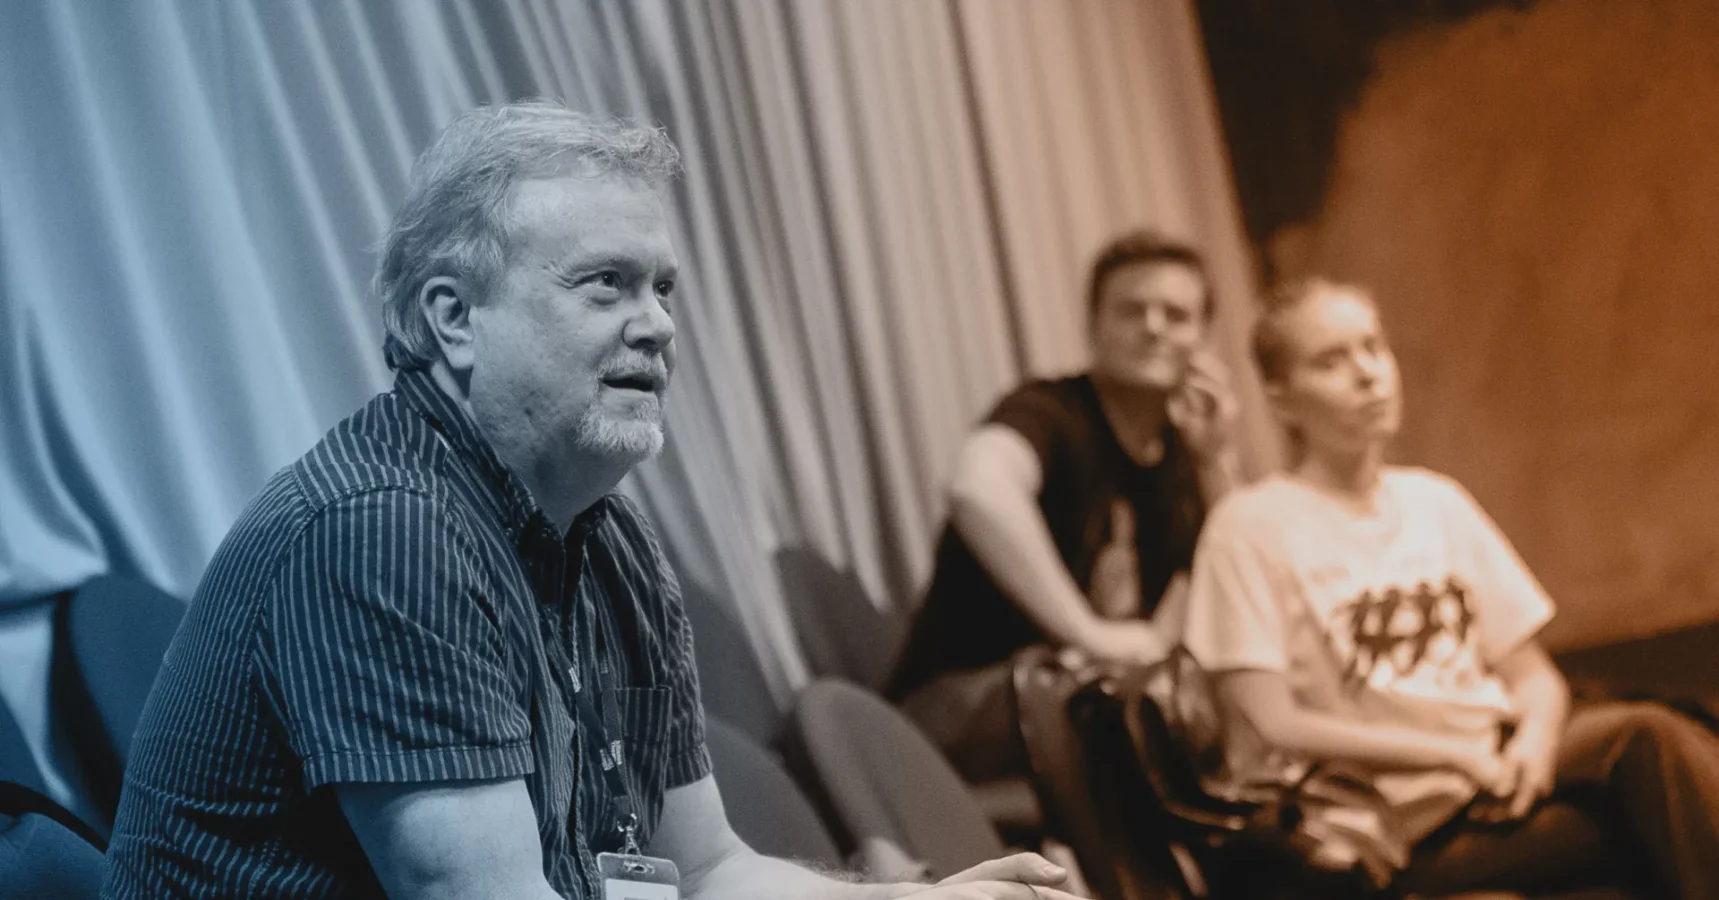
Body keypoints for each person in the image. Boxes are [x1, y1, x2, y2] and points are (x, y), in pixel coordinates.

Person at [100, 100, 1082, 900]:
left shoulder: (609, 539)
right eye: (606, 285)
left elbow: (704, 870)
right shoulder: (380, 532)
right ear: (453, 319)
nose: (656, 325)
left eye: (664, 288)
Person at [1180, 276, 1719, 897]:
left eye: (1373, 348)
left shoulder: (1435, 500)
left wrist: (1536, 743)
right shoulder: (1250, 525)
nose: (1368, 375)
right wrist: (1447, 754)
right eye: (1332, 361)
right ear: (1279, 398)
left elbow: (1530, 674)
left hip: (1499, 772)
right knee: (1656, 816)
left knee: (1652, 737)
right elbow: (1275, 722)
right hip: (1398, 825)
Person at [886, 232, 1241, 783]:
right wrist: (1089, 634)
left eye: (1176, 315)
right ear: (1093, 326)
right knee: (1154, 720)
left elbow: (1237, 588)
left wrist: (1217, 460)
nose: (1153, 327)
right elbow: (978, 487)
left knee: (1241, 696)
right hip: (957, 704)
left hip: (1078, 701)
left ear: (1202, 341)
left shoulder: (1181, 454)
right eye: (1131, 310)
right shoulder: (1051, 410)